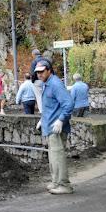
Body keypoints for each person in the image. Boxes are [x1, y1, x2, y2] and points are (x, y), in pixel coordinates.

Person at [35, 60, 74, 194]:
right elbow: (50, 106)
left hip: (56, 128)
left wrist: (61, 120)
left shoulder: (55, 84)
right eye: (37, 72)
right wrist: (42, 119)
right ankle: (56, 182)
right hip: (50, 126)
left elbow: (68, 104)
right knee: (53, 156)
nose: (39, 74)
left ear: (49, 70)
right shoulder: (47, 83)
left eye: (41, 71)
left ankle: (64, 184)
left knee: (58, 156)